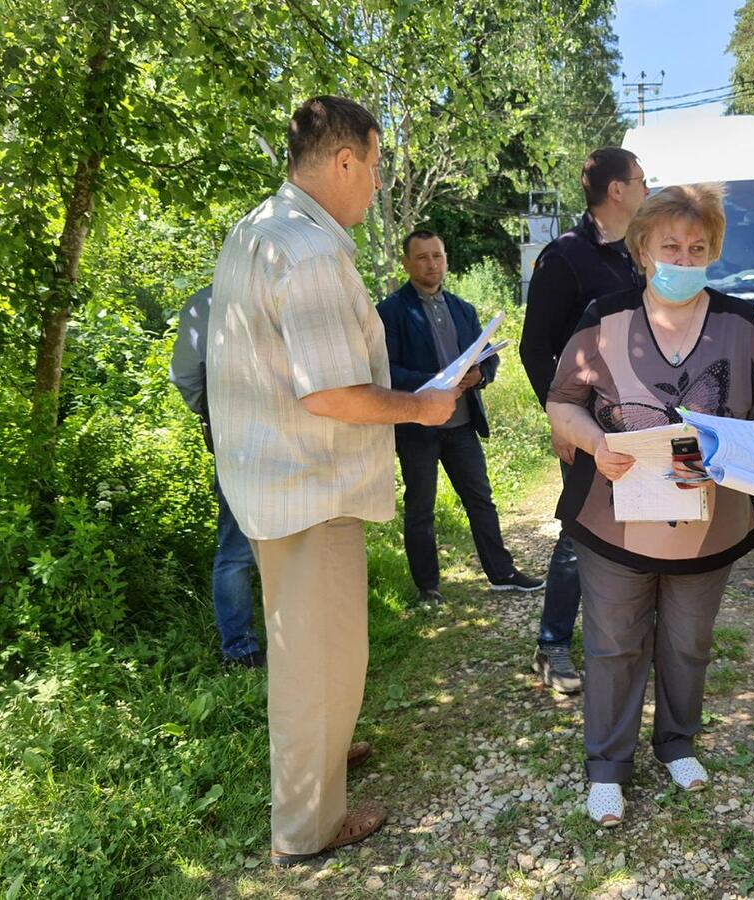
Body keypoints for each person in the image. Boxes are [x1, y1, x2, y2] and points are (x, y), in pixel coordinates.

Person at [207, 96, 459, 867]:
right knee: (322, 659)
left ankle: (320, 755)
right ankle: (309, 827)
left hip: (272, 480)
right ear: (344, 161)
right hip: (309, 485)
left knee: (303, 649)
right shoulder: (311, 252)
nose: (377, 183)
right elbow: (329, 392)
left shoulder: (260, 228)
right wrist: (420, 407)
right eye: (377, 166)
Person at [546, 183, 754, 826]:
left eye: (698, 247)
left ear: (713, 252)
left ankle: (677, 743)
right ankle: (607, 767)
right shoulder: (603, 317)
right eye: (670, 247)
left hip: (708, 526)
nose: (684, 259)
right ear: (643, 250)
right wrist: (595, 441)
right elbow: (562, 402)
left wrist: (741, 441)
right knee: (613, 645)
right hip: (615, 517)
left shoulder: (743, 322)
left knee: (687, 643)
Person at [519, 147, 648, 694]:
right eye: (642, 180)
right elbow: (534, 349)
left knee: (640, 525)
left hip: (643, 420)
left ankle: (626, 638)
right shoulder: (565, 257)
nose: (647, 188)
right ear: (616, 190)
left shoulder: (636, 254)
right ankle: (551, 646)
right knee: (580, 531)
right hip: (591, 425)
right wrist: (562, 417)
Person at [376, 230, 543, 604]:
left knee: (481, 499)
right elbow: (386, 371)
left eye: (437, 256)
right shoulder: (390, 312)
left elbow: (489, 356)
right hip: (418, 427)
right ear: (406, 263)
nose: (431, 264)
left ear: (446, 259)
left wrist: (481, 374)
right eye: (421, 257)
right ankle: (428, 587)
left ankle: (501, 573)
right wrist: (434, 383)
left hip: (462, 424)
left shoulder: (463, 309)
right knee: (421, 508)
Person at [168, 286, 264, 667]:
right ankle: (240, 648)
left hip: (263, 441)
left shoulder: (208, 301)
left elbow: (187, 379)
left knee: (252, 547)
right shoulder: (205, 304)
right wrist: (217, 414)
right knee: (238, 548)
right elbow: (187, 377)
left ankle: (272, 641)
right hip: (239, 445)